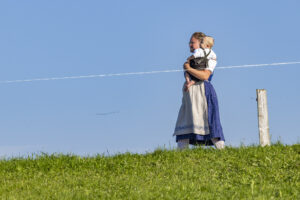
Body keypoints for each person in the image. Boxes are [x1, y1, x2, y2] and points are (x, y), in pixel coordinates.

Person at [173, 32, 225, 150]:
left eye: (193, 42)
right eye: (190, 43)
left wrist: (189, 69)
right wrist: (188, 78)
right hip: (190, 92)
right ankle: (181, 154)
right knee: (186, 119)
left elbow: (205, 76)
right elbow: (186, 69)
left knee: (208, 120)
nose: (190, 45)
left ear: (202, 43)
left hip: (203, 90)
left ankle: (222, 151)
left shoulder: (210, 57)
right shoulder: (191, 59)